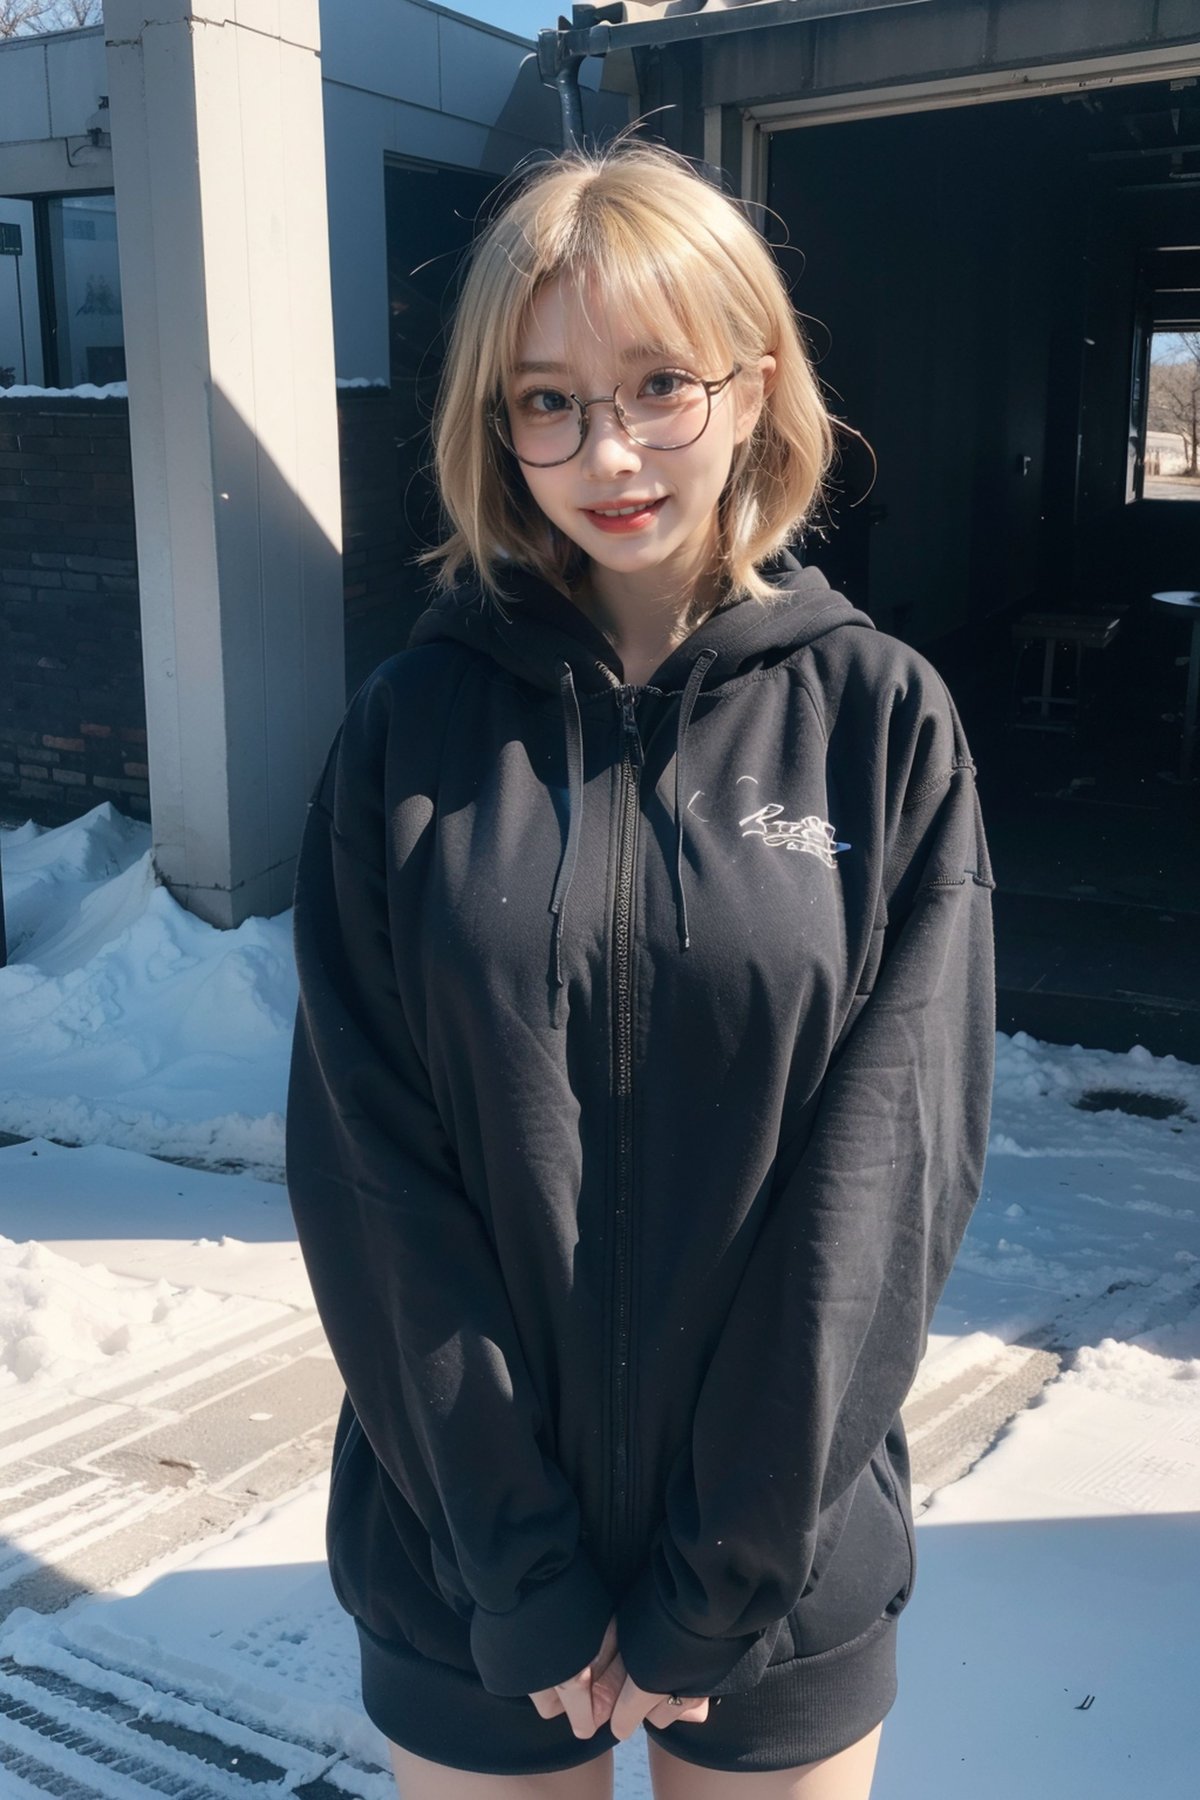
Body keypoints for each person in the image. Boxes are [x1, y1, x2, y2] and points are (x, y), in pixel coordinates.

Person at [285, 135, 995, 1800]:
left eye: (660, 384)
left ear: (755, 385)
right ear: (497, 424)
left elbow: (887, 1176)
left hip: (777, 1572)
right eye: (549, 400)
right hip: (462, 1563)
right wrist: (516, 1564)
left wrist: (721, 1572)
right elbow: (371, 1170)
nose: (606, 451)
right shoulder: (406, 731)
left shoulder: (880, 722)